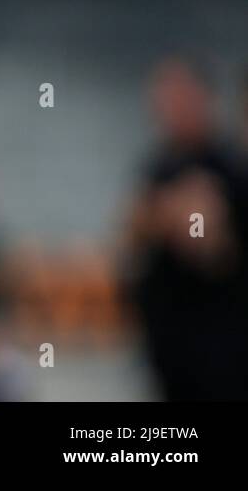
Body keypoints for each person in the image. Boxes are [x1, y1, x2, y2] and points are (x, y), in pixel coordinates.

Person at [124, 55, 248, 400]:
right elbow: (130, 230)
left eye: (176, 97)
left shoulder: (228, 167)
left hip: (218, 358)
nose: (164, 108)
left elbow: (206, 244)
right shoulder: (161, 163)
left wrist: (180, 218)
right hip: (169, 352)